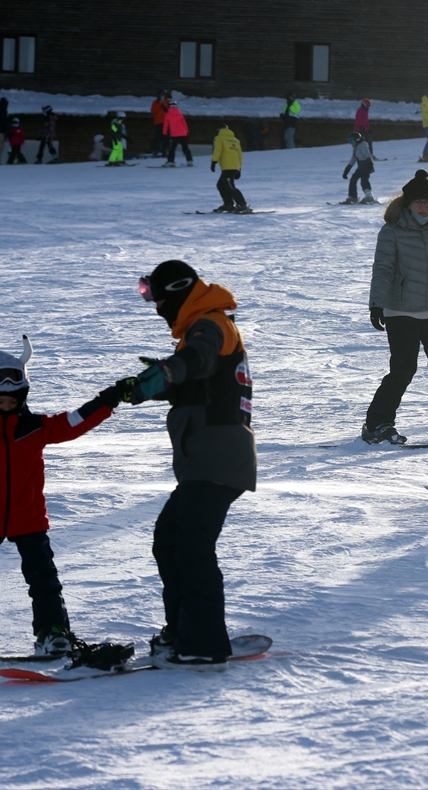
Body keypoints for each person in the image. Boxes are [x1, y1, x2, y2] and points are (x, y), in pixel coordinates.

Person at [0, 335, 128, 659]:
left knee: (43, 579)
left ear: (22, 396)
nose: (7, 406)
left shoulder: (36, 427)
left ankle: (52, 631)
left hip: (29, 518)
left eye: (13, 400)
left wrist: (107, 400)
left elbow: (73, 422)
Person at [118, 261, 256, 671]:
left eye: (158, 298)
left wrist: (168, 372)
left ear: (176, 293)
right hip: (206, 460)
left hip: (218, 458)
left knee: (191, 549)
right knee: (170, 541)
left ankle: (202, 643)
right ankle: (182, 631)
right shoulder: (203, 325)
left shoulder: (210, 325)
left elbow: (197, 359)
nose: (157, 307)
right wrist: (153, 385)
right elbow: (198, 382)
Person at [364, 170, 428, 445]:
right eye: (418, 201)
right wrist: (377, 304)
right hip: (400, 311)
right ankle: (377, 423)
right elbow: (383, 270)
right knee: (403, 369)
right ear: (408, 203)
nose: (423, 206)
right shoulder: (392, 231)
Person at [211, 123, 249, 212]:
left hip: (227, 167)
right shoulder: (235, 140)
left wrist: (213, 161)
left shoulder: (219, 138)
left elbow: (217, 150)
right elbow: (240, 155)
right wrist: (239, 169)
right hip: (234, 166)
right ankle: (228, 204)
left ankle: (242, 204)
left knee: (229, 186)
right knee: (220, 185)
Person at [341, 131, 376, 205]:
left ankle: (369, 197)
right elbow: (353, 158)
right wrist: (347, 170)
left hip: (366, 165)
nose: (351, 143)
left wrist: (370, 164)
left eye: (352, 141)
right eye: (349, 141)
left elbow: (368, 155)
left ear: (357, 140)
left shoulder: (363, 145)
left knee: (364, 180)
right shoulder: (356, 147)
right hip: (361, 165)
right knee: (353, 179)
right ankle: (353, 197)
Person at [163, 101, 193, 166]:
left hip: (174, 133)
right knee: (185, 147)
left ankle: (171, 161)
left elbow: (166, 125)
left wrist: (164, 133)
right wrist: (187, 132)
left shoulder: (168, 115)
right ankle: (189, 160)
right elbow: (184, 124)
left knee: (172, 148)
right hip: (183, 133)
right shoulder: (180, 114)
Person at [150, 90, 169, 157]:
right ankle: (155, 151)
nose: (162, 95)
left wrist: (165, 105)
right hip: (158, 123)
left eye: (163, 94)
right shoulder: (155, 102)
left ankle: (165, 151)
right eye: (161, 94)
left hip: (167, 123)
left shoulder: (170, 101)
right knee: (157, 138)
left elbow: (174, 110)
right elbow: (152, 110)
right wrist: (159, 104)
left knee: (166, 138)